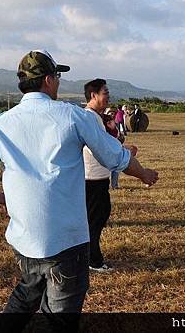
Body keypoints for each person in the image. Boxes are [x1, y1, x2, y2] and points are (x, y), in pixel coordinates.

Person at [0, 50, 158, 328]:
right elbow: (116, 158)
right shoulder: (73, 116)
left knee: (26, 294)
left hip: (24, 240)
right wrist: (145, 174)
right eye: (58, 76)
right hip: (67, 242)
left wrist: (4, 199)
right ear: (49, 80)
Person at [83, 79, 123, 272]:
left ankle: (89, 257)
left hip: (97, 177)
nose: (108, 96)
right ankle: (93, 260)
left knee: (98, 216)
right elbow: (96, 148)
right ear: (93, 95)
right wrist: (122, 152)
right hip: (91, 179)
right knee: (95, 220)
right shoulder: (89, 118)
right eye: (105, 92)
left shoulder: (95, 117)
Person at [103, 112, 127, 189]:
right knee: (115, 168)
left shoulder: (114, 130)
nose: (115, 122)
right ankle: (114, 185)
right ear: (108, 123)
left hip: (113, 151)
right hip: (110, 152)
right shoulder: (107, 133)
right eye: (113, 121)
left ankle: (114, 184)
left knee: (115, 169)